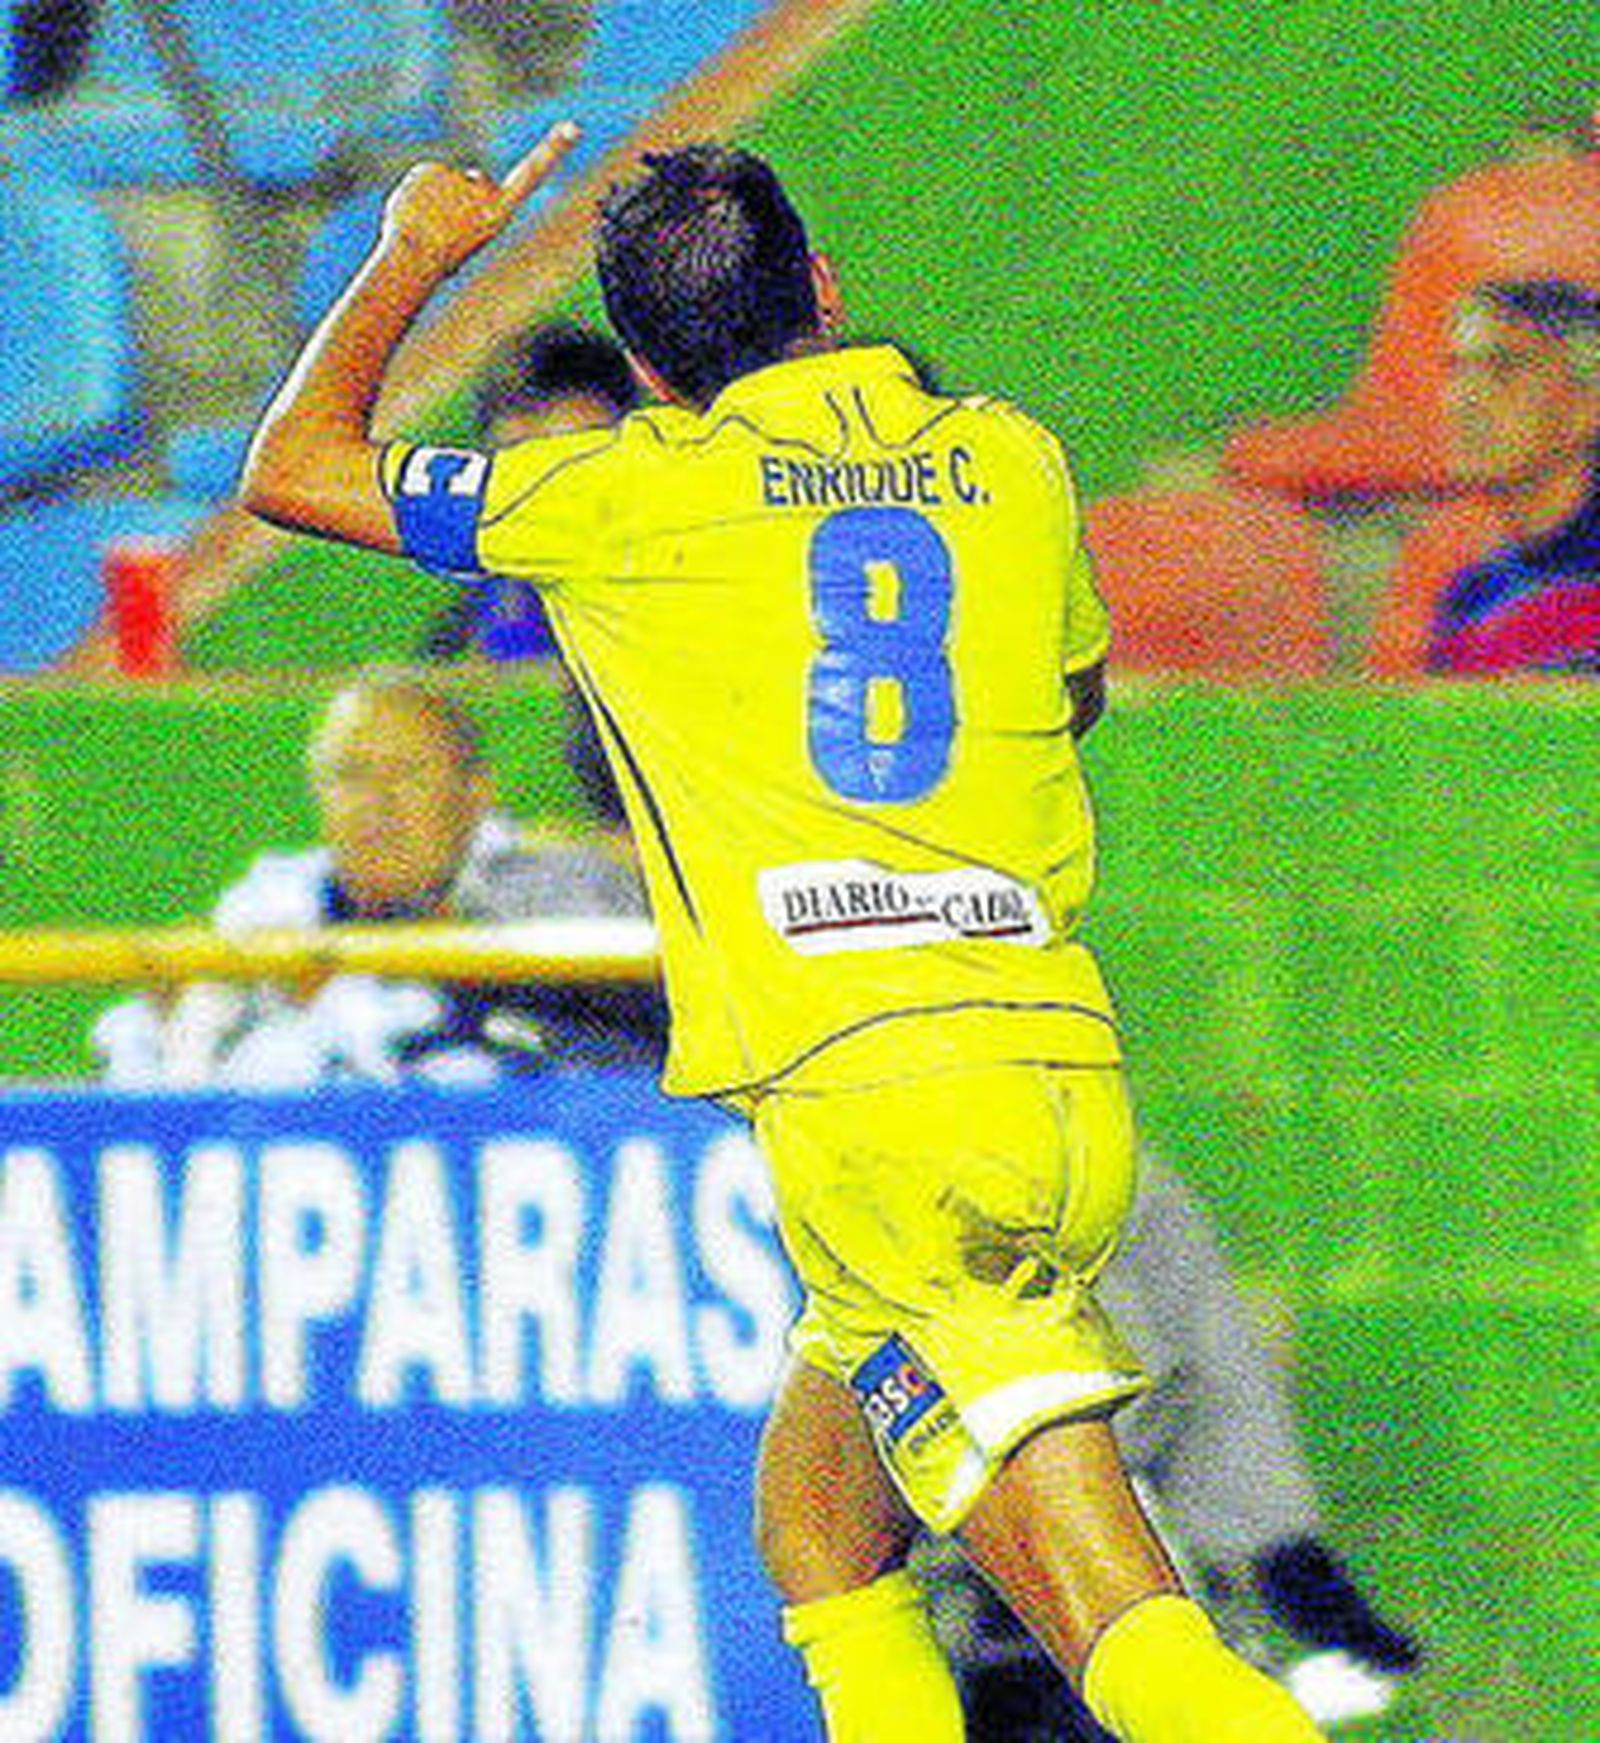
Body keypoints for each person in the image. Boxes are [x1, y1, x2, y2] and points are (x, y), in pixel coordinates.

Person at [238, 125, 1328, 1739]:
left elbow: (294, 468)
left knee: (1126, 1633)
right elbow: (1067, 691)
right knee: (819, 1533)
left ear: (641, 370)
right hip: (1039, 1069)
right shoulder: (1008, 459)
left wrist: (415, 252)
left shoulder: (617, 497)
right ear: (821, 286)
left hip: (883, 1124)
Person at [94, 673, 661, 1088]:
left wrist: (405, 974)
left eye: (408, 773)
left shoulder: (559, 883)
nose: (376, 802)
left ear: (475, 792)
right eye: (349, 775)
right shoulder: (277, 899)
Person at [1366, 276, 1600, 676]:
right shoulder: (1474, 596)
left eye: (1505, 370)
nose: (1465, 401)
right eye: (1457, 370)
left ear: (1587, 406)